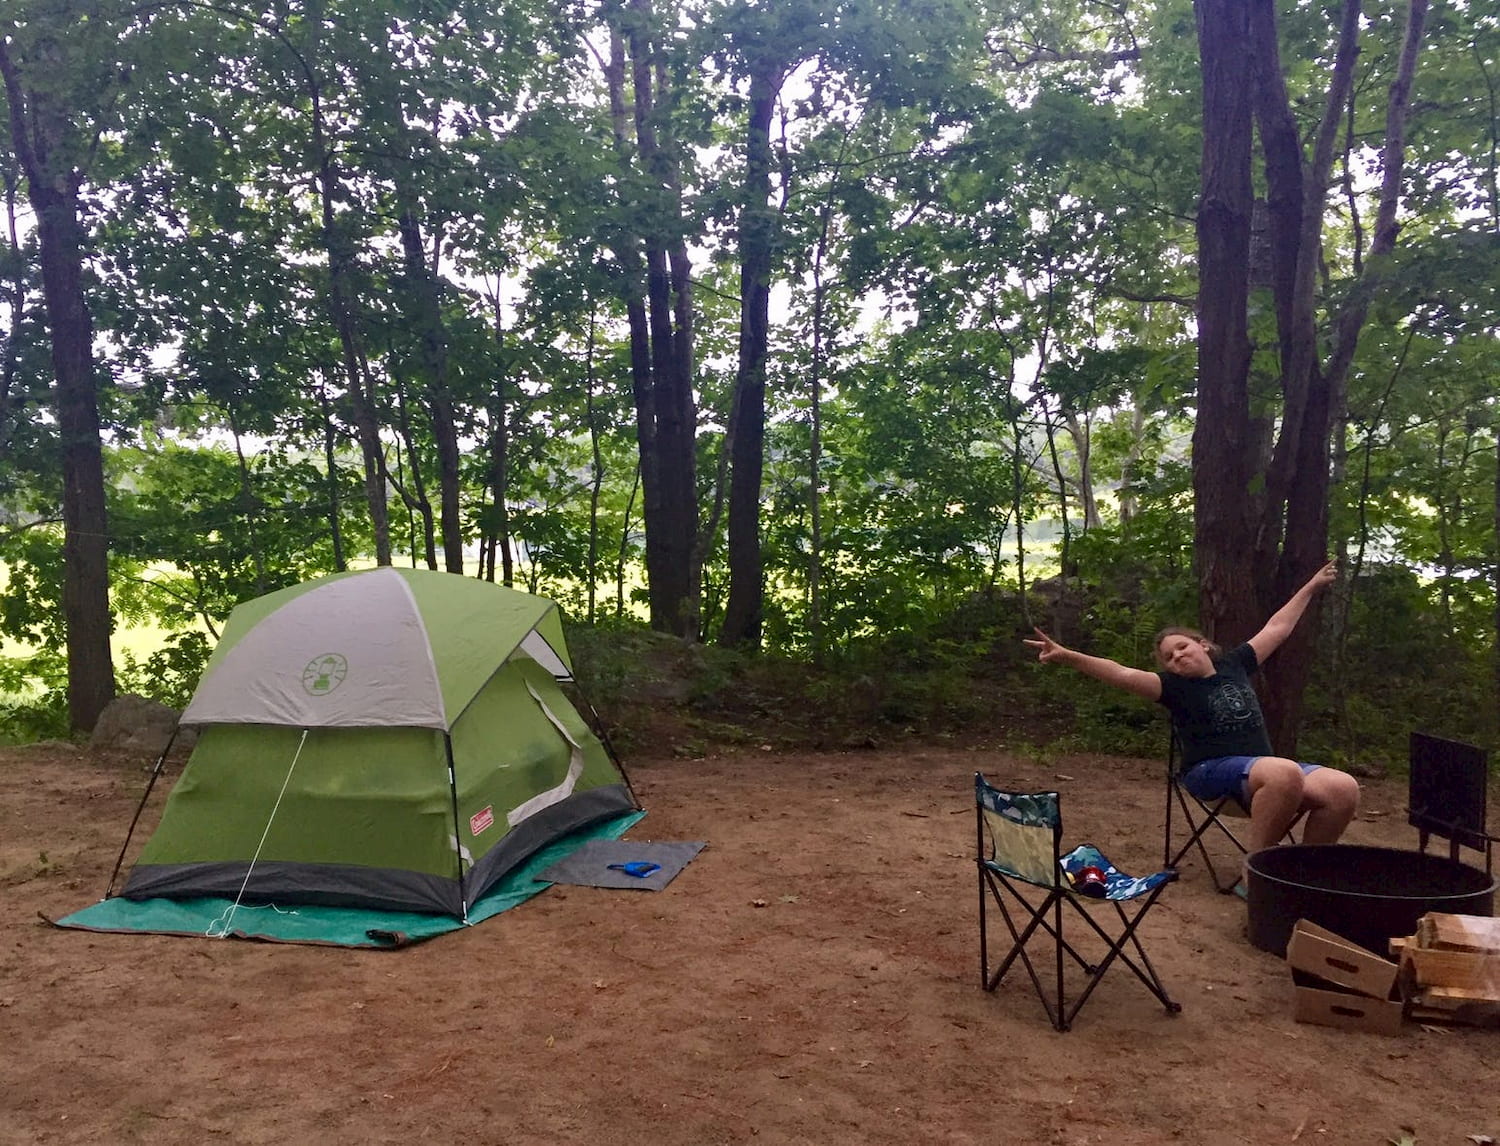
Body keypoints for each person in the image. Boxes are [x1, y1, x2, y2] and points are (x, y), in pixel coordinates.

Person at [1023, 561, 1360, 875]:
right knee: (1283, 771)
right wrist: (1066, 656)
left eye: (1182, 647)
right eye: (1169, 657)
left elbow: (1278, 627)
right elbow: (1120, 672)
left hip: (1265, 774)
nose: (1177, 657)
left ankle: (1304, 871)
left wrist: (1311, 586)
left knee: (1342, 788)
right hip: (1210, 773)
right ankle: (1260, 874)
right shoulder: (1172, 687)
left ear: (1203, 645)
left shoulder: (1236, 664)